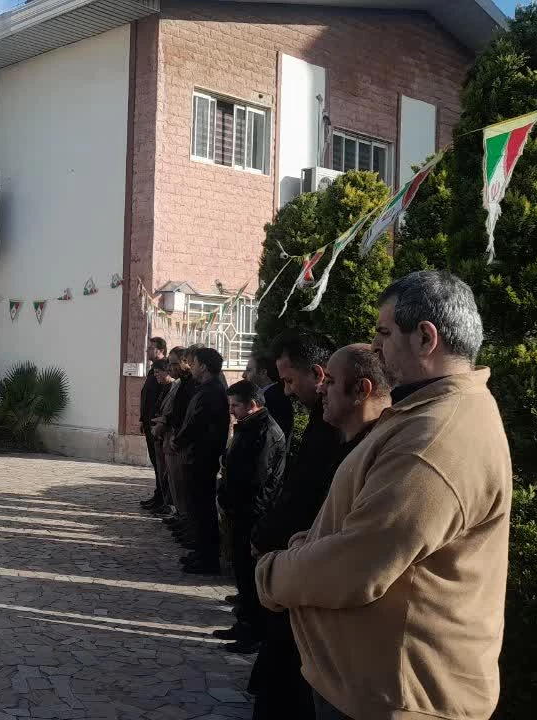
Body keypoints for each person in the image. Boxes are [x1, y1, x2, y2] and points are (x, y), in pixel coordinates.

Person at [257, 271, 511, 720]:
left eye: (385, 333)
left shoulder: (437, 437)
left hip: (397, 697)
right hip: (372, 687)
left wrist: (272, 573)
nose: (375, 347)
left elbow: (359, 563)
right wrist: (309, 543)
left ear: (425, 338)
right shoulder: (423, 413)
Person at [246, 331, 342, 720]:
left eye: (289, 381)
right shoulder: (321, 422)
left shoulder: (339, 432)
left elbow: (310, 497)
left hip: (306, 566)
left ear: (318, 375)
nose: (285, 392)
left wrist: (275, 542)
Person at [214, 380, 286, 653]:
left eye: (235, 405)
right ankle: (243, 623)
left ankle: (254, 632)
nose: (231, 411)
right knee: (241, 573)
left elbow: (256, 478)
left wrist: (233, 495)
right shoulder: (249, 426)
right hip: (240, 509)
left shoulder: (265, 431)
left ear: (252, 405)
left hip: (253, 512)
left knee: (250, 575)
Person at [174, 347, 231, 575]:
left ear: (204, 367)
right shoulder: (206, 388)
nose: (191, 367)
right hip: (197, 455)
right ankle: (200, 552)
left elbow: (197, 423)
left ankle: (208, 558)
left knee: (203, 508)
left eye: (195, 363)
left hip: (203, 457)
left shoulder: (213, 391)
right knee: (197, 507)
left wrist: (179, 441)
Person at [159, 347, 195, 535]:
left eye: (174, 364)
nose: (170, 368)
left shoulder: (193, 385)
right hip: (175, 436)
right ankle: (181, 516)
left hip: (183, 440)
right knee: (175, 481)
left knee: (182, 483)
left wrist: (174, 431)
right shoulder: (183, 383)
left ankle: (186, 519)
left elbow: (187, 415)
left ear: (185, 362)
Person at [139, 337, 170, 512]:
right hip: (149, 422)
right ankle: (158, 495)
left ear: (161, 350)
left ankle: (163, 498)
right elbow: (147, 397)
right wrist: (142, 419)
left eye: (151, 348)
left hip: (157, 425)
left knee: (161, 465)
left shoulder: (164, 370)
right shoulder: (153, 370)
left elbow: (160, 401)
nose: (148, 350)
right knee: (156, 462)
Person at [244, 350, 295, 449]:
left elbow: (269, 440)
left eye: (249, 370)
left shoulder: (274, 399)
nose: (244, 375)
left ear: (263, 373)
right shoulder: (269, 395)